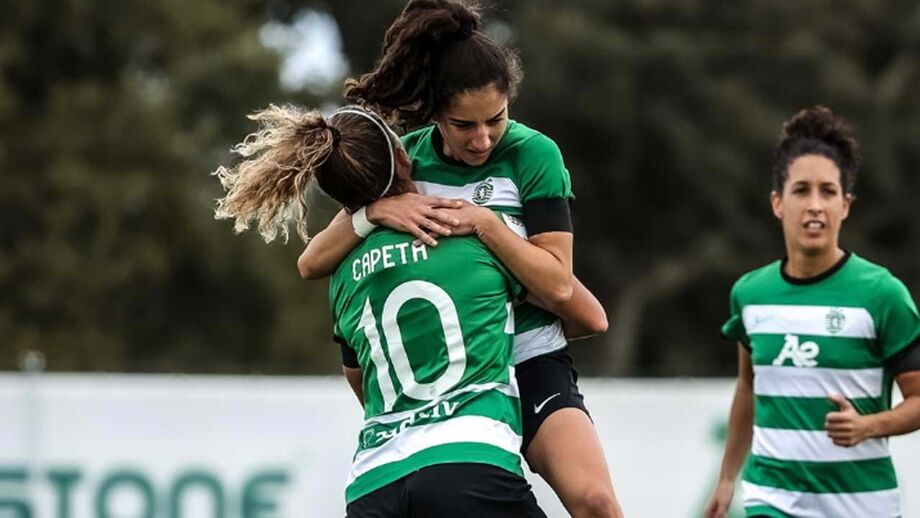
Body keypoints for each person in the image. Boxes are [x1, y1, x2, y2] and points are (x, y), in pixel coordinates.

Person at [296, 2, 623, 516]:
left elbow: (559, 285)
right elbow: (311, 262)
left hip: (529, 354)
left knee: (596, 501)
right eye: (463, 124)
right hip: (454, 372)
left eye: (496, 119)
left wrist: (486, 224)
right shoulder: (406, 162)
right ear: (434, 114)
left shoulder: (534, 155)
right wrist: (375, 211)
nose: (483, 138)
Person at [214, 104, 546, 516]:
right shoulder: (468, 233)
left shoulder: (342, 275)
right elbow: (583, 311)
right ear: (403, 157)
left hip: (374, 482)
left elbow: (358, 378)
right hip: (468, 459)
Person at [704, 106, 920, 518]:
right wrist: (728, 477)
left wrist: (868, 426)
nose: (815, 205)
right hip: (773, 498)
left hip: (862, 504)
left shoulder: (883, 295)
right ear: (777, 203)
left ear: (846, 205)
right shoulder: (751, 294)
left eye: (828, 192)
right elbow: (748, 386)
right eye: (802, 190)